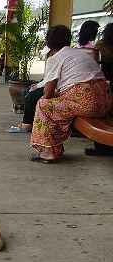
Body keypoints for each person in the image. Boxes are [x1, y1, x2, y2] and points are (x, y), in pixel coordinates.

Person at [30, 25, 110, 163]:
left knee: (43, 105)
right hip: (105, 101)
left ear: (48, 43)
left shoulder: (55, 58)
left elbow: (48, 93)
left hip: (86, 103)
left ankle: (49, 152)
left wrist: (49, 94)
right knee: (57, 102)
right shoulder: (81, 54)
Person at [85, 22, 113, 156]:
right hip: (107, 83)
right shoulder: (101, 46)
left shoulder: (101, 46)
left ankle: (102, 146)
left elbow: (94, 63)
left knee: (102, 113)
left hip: (105, 83)